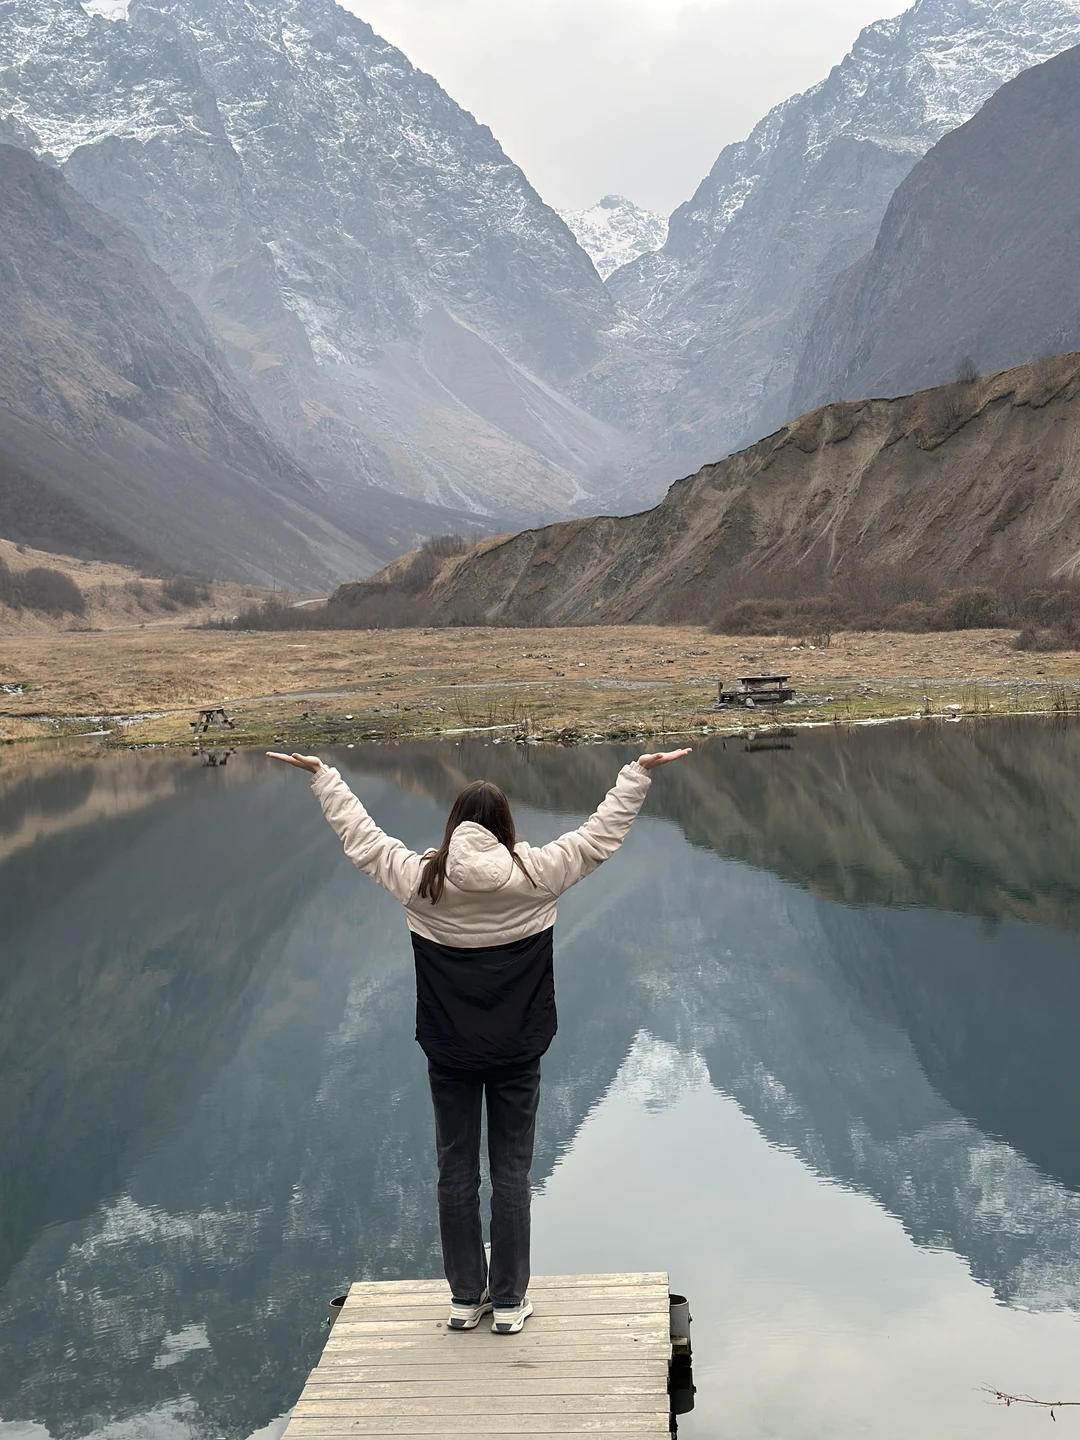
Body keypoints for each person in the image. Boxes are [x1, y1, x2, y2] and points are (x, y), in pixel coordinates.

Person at [267, 745, 691, 1334]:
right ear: (505, 827)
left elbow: (364, 841)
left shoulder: (422, 882)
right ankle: (510, 1303)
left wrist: (324, 778)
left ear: (454, 826)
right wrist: (636, 775)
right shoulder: (538, 875)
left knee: (455, 1172)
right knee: (512, 1174)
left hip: (449, 1052)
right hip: (519, 1051)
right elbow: (599, 837)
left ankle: (467, 1298)